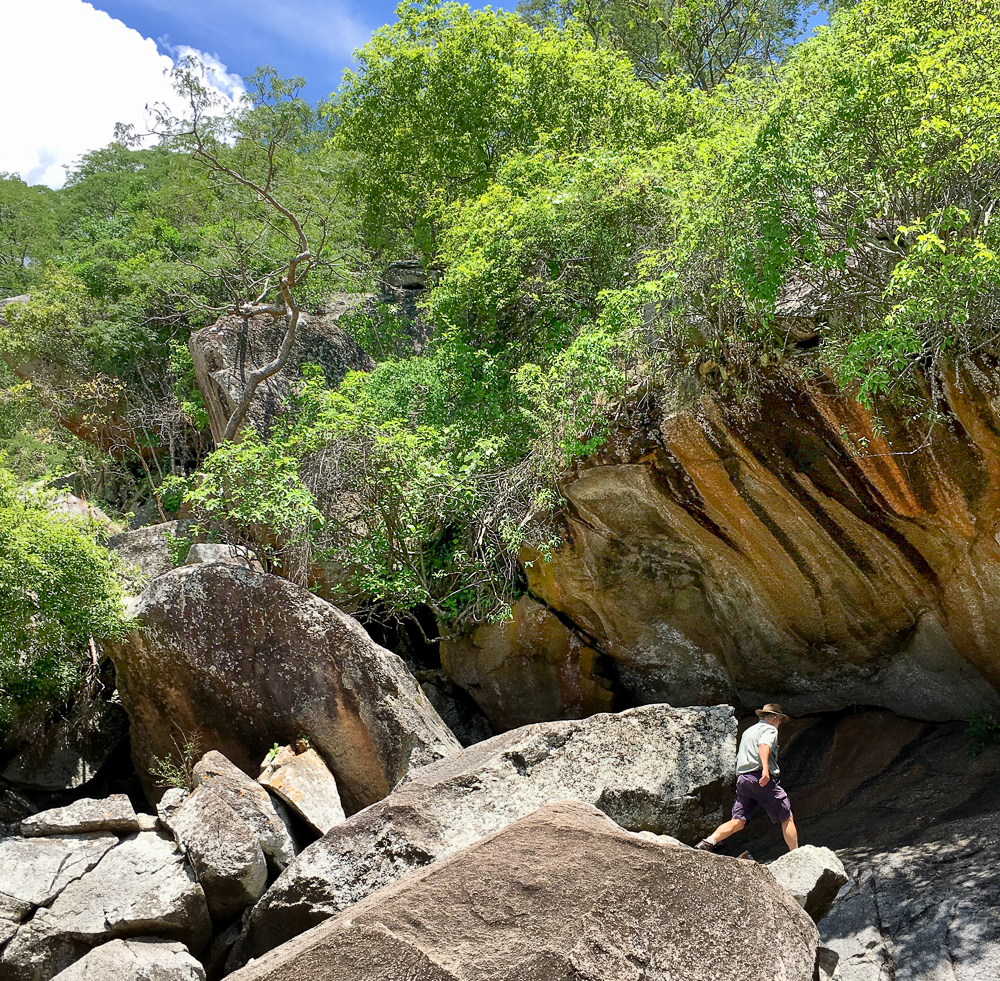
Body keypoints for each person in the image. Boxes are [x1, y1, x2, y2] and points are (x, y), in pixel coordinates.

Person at [694, 703, 798, 853]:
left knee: (738, 820)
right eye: (780, 720)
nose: (780, 724)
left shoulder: (748, 731)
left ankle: (707, 843)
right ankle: (796, 854)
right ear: (775, 718)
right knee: (786, 815)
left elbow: (740, 755)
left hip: (743, 779)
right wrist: (766, 770)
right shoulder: (770, 729)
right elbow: (763, 746)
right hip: (759, 776)